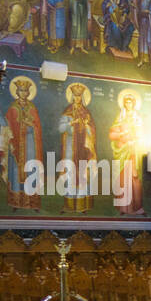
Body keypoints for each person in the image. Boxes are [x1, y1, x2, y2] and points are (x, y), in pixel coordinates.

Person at [0, 78, 42, 211]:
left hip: (30, 147)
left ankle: (32, 202)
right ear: (17, 92)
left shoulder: (32, 108)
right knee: (16, 173)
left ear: (29, 93)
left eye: (25, 91)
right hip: (16, 147)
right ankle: (16, 202)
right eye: (21, 91)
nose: (23, 93)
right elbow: (6, 125)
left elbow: (38, 128)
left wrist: (31, 125)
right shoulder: (13, 108)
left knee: (31, 172)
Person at [58, 83, 96, 213]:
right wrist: (71, 123)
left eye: (79, 96)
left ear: (82, 97)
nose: (77, 98)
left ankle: (81, 205)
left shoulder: (86, 113)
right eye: (75, 95)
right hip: (70, 148)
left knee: (83, 175)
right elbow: (61, 128)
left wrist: (86, 126)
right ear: (72, 96)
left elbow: (92, 131)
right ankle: (69, 205)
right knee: (70, 174)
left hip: (83, 150)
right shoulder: (67, 111)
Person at [110, 92, 145, 214]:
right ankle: (123, 207)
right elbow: (112, 134)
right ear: (123, 104)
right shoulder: (120, 117)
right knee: (123, 177)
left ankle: (137, 207)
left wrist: (134, 140)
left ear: (134, 104)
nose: (128, 104)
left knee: (134, 177)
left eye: (130, 102)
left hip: (134, 150)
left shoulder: (137, 118)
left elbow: (141, 134)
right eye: (126, 102)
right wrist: (121, 135)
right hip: (123, 150)